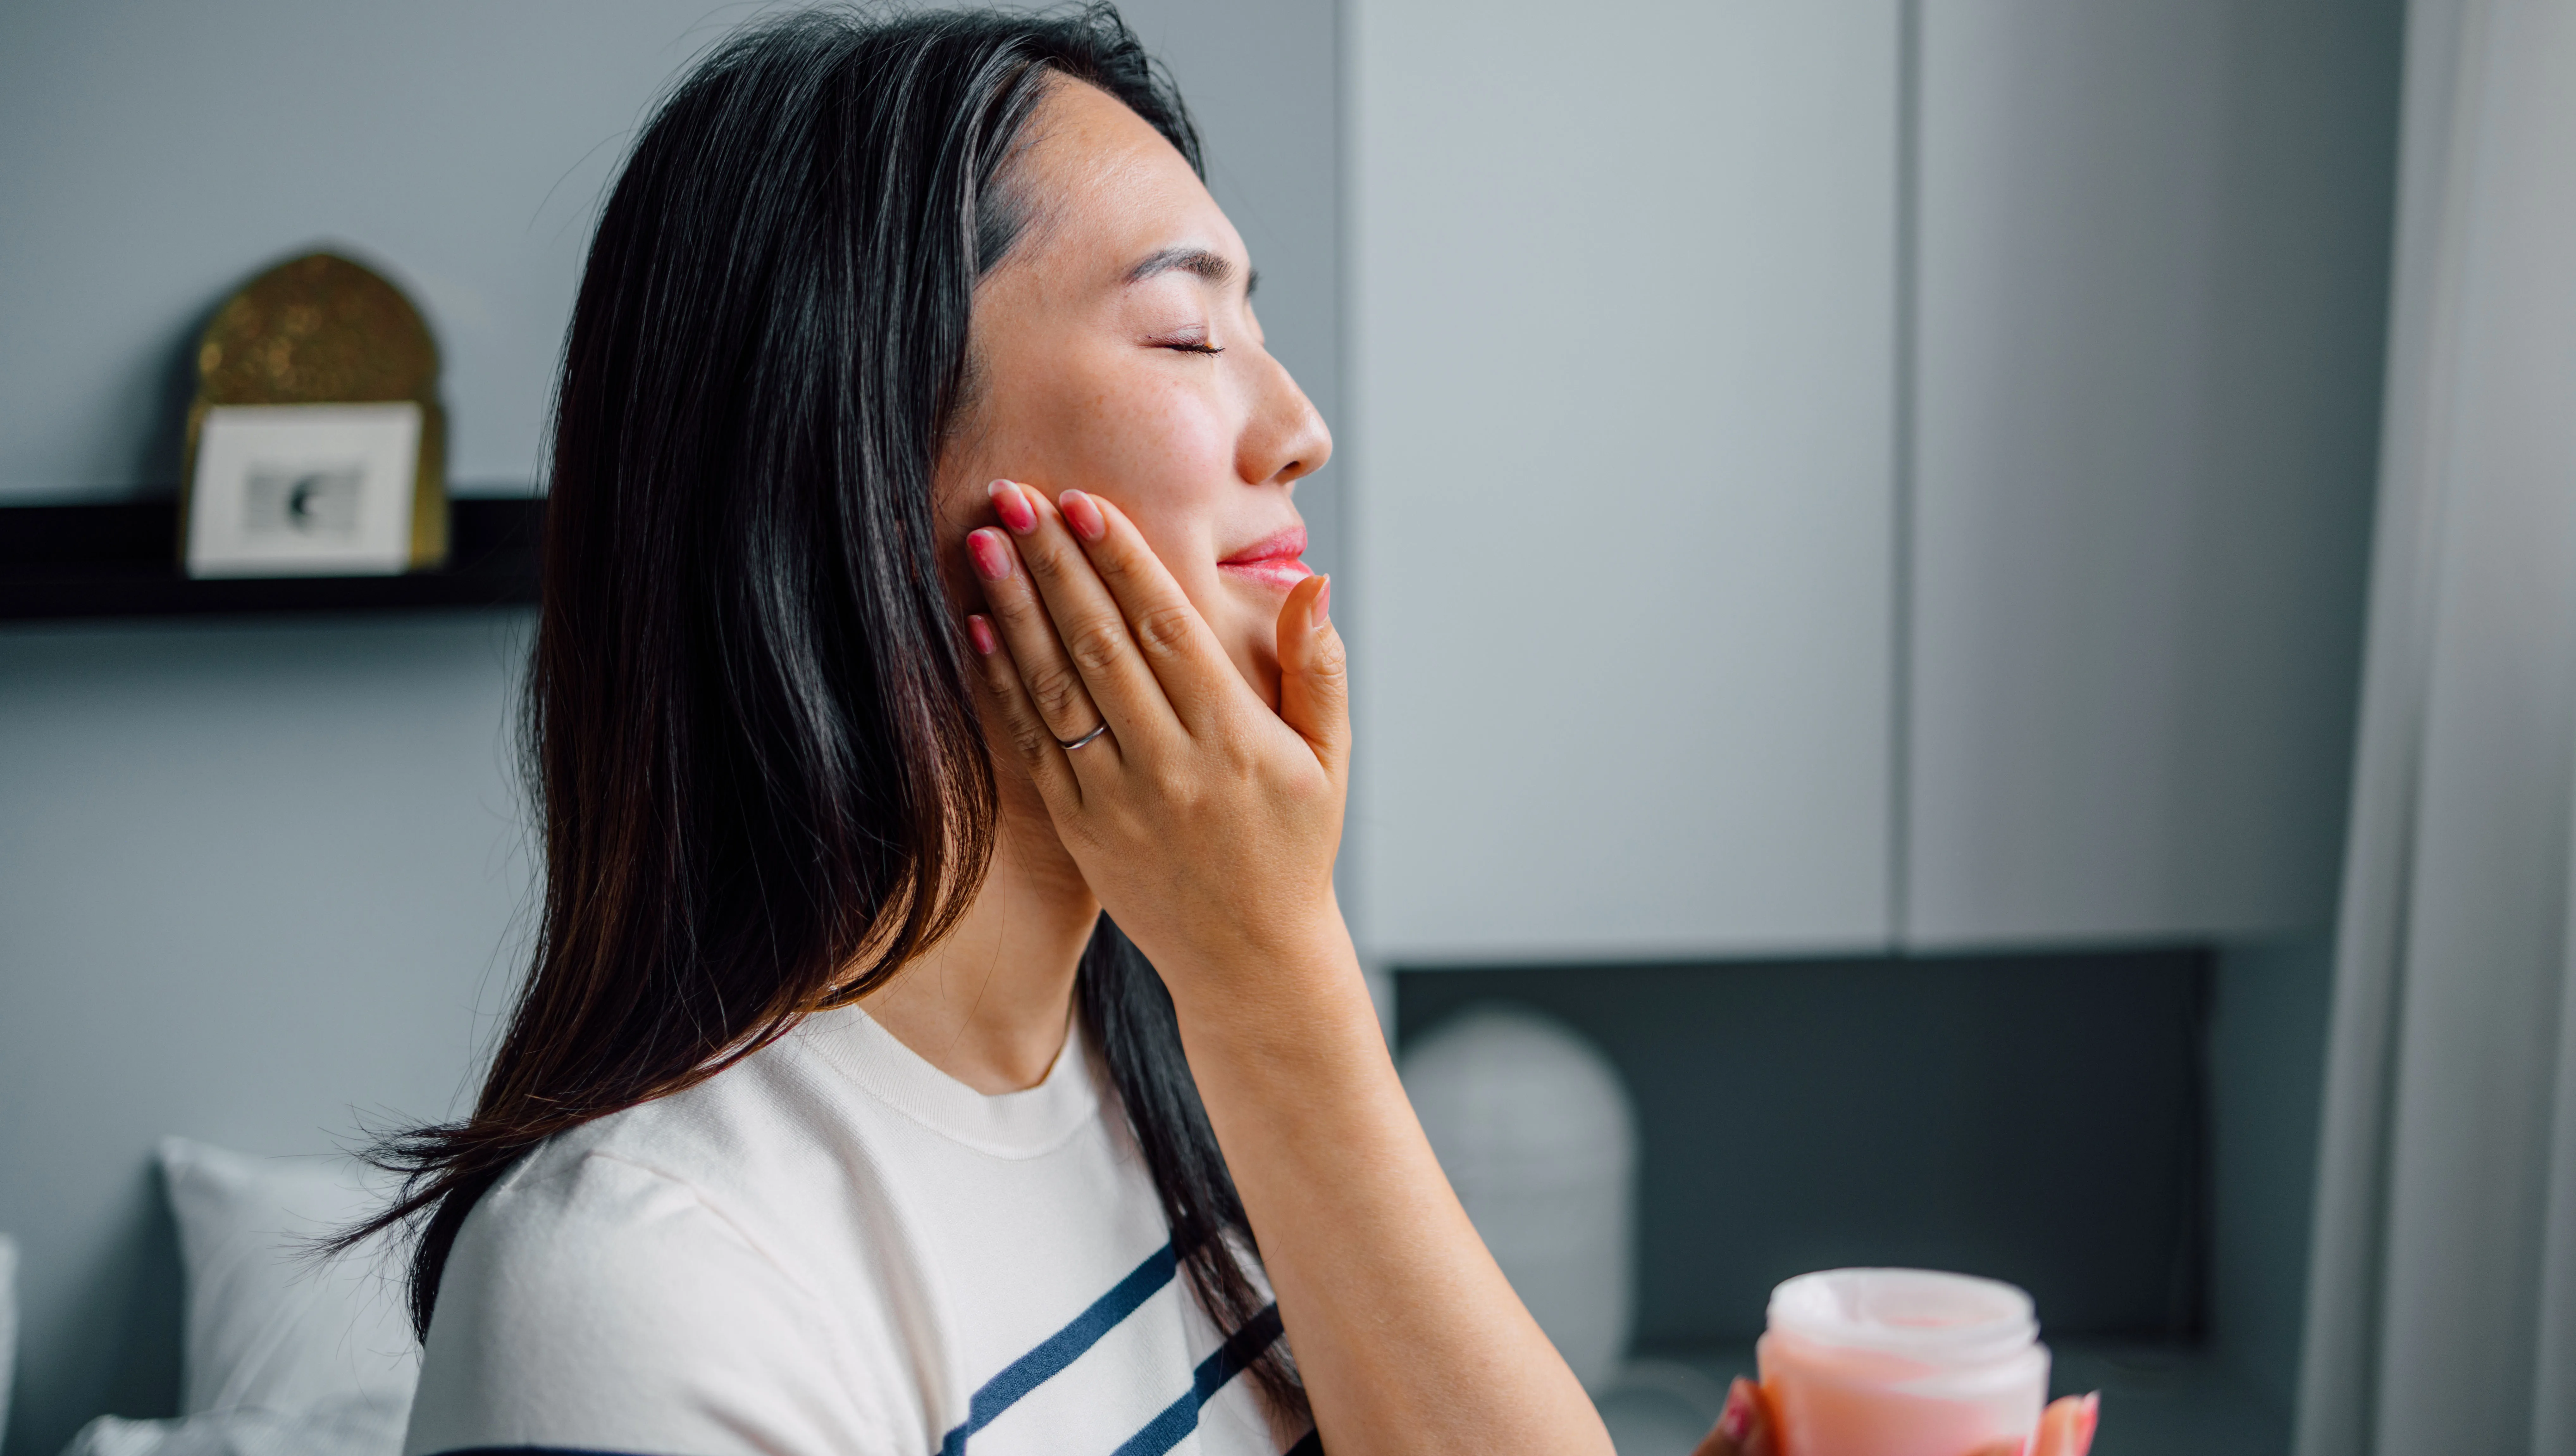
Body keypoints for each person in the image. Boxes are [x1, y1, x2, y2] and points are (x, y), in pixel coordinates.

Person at [349, 8, 2101, 1454]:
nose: (1300, 424)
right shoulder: (645, 1294)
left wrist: (1270, 978)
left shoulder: (1168, 1072)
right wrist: (1274, 965)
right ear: (867, 450)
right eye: (1189, 327)